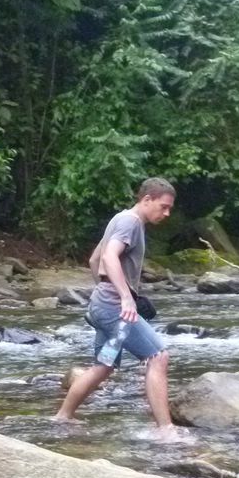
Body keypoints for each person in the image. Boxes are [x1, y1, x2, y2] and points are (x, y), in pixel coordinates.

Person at [54, 177, 177, 432]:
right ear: (146, 199)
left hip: (102, 302)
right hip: (114, 307)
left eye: (169, 209)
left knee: (104, 365)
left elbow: (93, 259)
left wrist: (103, 291)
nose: (166, 213)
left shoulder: (118, 219)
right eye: (163, 206)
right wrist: (124, 296)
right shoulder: (130, 222)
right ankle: (166, 430)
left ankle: (63, 417)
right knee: (158, 357)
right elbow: (109, 256)